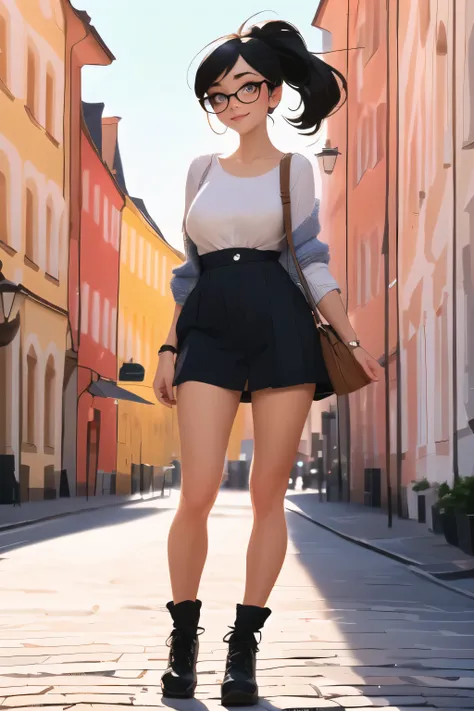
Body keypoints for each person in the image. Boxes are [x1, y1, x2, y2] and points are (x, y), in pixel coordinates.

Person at [152, 18, 381, 705]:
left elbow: (311, 262)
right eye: (216, 96)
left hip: (281, 329)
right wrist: (169, 347)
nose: (229, 105)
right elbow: (187, 272)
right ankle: (183, 638)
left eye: (242, 90)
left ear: (274, 92)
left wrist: (352, 338)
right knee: (195, 492)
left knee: (265, 495)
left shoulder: (295, 169)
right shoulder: (199, 170)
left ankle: (243, 650)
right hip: (209, 330)